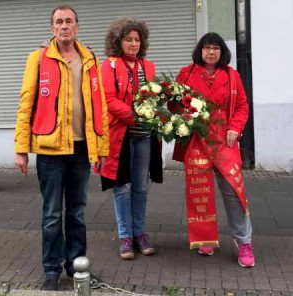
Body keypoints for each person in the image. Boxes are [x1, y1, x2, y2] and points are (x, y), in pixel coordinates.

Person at [14, 5, 109, 290]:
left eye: (69, 21)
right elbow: (26, 103)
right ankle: (51, 270)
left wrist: (101, 148)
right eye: (59, 22)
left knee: (77, 213)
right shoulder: (38, 59)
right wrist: (21, 148)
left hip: (82, 149)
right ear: (52, 28)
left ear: (77, 27)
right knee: (52, 214)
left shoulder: (90, 59)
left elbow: (100, 106)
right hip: (50, 151)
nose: (64, 26)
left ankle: (76, 267)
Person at [173, 32, 255, 268]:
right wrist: (181, 116)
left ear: (222, 52)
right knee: (201, 191)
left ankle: (244, 242)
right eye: (207, 48)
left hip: (224, 142)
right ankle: (203, 238)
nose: (211, 52)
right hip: (197, 141)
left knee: (233, 192)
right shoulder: (186, 74)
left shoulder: (231, 75)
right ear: (200, 50)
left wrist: (235, 128)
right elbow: (175, 103)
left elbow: (241, 106)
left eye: (216, 49)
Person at [97, 18, 163, 260]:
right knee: (122, 187)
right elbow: (108, 98)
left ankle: (139, 233)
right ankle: (125, 237)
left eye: (137, 39)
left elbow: (155, 96)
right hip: (121, 136)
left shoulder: (149, 65)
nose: (133, 43)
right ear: (119, 42)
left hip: (145, 137)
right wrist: (133, 115)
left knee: (141, 187)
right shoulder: (109, 66)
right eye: (128, 39)